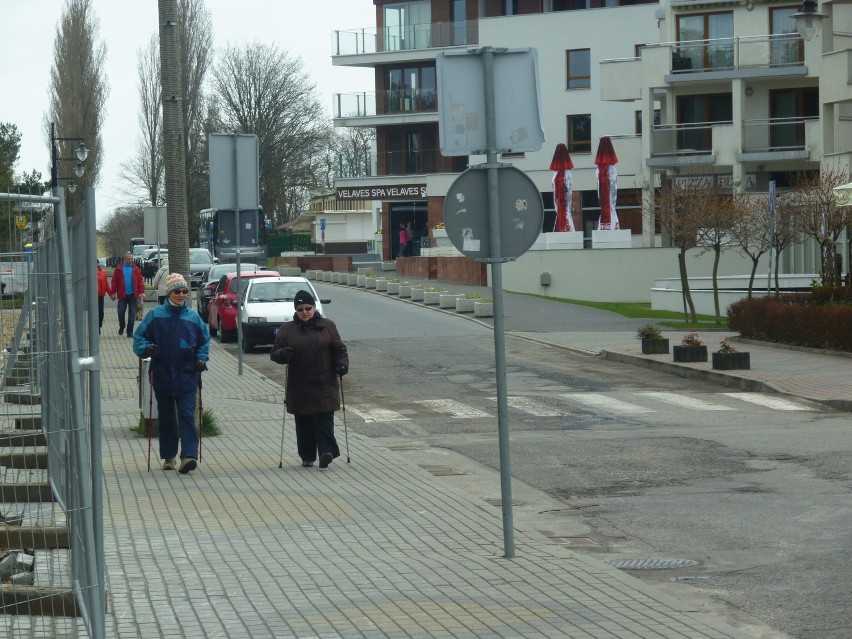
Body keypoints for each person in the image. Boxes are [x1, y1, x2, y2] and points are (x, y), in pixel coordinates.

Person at [133, 274, 210, 474]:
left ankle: (189, 456)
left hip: (187, 374)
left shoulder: (193, 316)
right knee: (166, 417)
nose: (182, 295)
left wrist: (201, 357)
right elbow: (139, 338)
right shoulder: (155, 315)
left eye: (185, 291)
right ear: (169, 293)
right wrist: (145, 349)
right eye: (177, 291)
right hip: (162, 374)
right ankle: (169, 456)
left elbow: (204, 340)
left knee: (186, 414)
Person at [269, 289, 349, 469]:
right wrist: (283, 354)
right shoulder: (287, 330)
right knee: (304, 422)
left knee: (324, 419)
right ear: (296, 311)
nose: (304, 312)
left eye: (308, 308)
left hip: (324, 381)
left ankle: (326, 452)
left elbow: (339, 349)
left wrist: (342, 364)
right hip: (299, 384)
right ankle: (307, 456)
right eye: (300, 309)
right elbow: (274, 353)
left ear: (314, 308)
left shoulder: (328, 325)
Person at [111, 251, 146, 338]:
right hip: (122, 295)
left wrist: (142, 292)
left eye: (131, 259)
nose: (130, 260)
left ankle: (130, 332)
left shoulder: (136, 269)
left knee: (132, 315)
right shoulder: (119, 268)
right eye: (129, 259)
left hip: (133, 295)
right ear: (125, 259)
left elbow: (140, 281)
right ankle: (122, 326)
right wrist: (113, 292)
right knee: (121, 312)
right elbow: (114, 281)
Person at [96, 261, 115, 335]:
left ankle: (99, 326)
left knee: (101, 313)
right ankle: (96, 329)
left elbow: (106, 284)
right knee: (95, 313)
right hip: (93, 297)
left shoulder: (102, 272)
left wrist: (111, 294)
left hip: (101, 296)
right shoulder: (89, 272)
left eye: (96, 263)